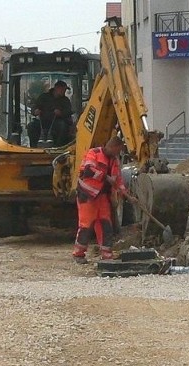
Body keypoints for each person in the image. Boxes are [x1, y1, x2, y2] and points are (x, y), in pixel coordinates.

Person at [72, 136, 134, 264]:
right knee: (86, 225)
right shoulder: (93, 153)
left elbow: (118, 181)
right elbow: (88, 171)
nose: (119, 153)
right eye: (118, 150)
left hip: (102, 196)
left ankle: (107, 255)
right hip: (87, 194)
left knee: (106, 224)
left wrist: (127, 195)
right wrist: (105, 177)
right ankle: (78, 254)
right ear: (112, 147)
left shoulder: (114, 161)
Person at [27, 80, 73, 148]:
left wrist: (61, 113)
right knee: (31, 126)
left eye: (65, 90)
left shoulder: (65, 100)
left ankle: (58, 147)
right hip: (42, 122)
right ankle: (34, 147)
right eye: (62, 89)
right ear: (56, 88)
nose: (64, 91)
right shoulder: (43, 97)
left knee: (63, 126)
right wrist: (35, 111)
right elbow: (35, 106)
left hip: (57, 122)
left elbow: (69, 112)